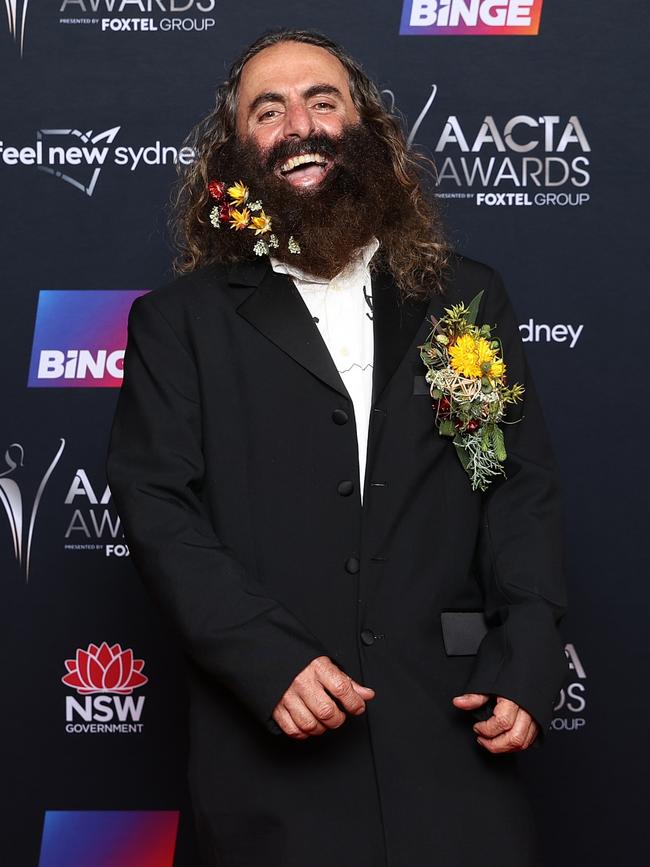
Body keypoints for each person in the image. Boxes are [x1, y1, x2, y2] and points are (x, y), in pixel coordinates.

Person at [107, 29, 569, 867]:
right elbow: (158, 507)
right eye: (268, 110)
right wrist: (265, 657)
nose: (300, 125)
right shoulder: (180, 324)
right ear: (234, 152)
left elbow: (509, 484)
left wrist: (528, 654)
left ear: (367, 128)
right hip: (272, 751)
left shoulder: (463, 298)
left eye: (324, 101)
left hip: (454, 738)